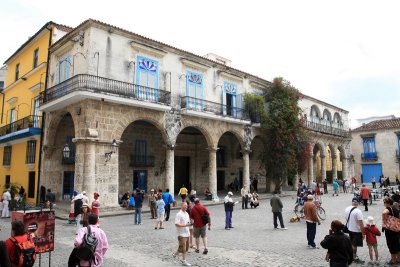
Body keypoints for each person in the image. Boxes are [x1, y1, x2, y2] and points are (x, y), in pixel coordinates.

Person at [344, 197, 365, 264]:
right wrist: (363, 233)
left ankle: (352, 255)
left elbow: (346, 218)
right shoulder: (358, 211)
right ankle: (354, 257)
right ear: (358, 203)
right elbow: (361, 223)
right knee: (354, 245)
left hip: (350, 228)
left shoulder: (347, 208)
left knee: (352, 243)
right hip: (356, 230)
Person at [382, 197, 400, 265]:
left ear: (388, 203)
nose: (384, 204)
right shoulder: (395, 208)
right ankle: (398, 259)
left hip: (390, 230)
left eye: (384, 202)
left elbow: (384, 213)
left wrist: (384, 220)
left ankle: (393, 260)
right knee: (397, 244)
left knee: (391, 245)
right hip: (397, 228)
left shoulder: (388, 208)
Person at [173, 202, 191, 266]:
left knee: (186, 248)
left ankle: (175, 254)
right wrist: (185, 225)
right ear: (181, 206)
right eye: (184, 205)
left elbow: (188, 222)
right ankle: (184, 261)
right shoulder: (178, 214)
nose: (186, 207)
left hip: (187, 233)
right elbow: (176, 224)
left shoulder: (187, 214)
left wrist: (189, 223)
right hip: (181, 234)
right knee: (183, 248)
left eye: (186, 206)